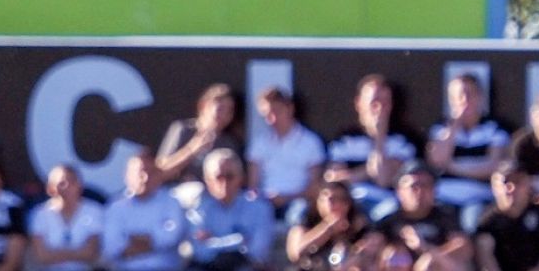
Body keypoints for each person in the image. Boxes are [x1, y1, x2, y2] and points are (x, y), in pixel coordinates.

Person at [371, 162, 475, 271]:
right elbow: (372, 247)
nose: (419, 192)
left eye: (426, 186)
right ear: (399, 191)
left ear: (434, 191)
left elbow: (464, 246)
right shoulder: (389, 218)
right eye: (413, 186)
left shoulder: (444, 215)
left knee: (460, 270)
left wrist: (427, 252)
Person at [325, 75, 420, 220]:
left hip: (386, 202)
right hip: (350, 202)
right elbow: (334, 179)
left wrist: (380, 136)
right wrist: (368, 171)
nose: (379, 109)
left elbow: (383, 179)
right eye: (374, 103)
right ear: (359, 104)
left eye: (385, 103)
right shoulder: (345, 139)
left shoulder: (403, 141)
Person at [25, 164, 104, 271]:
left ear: (79, 186)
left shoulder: (94, 211)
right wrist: (76, 252)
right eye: (61, 183)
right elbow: (42, 256)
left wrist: (57, 253)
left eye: (71, 182)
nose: (66, 187)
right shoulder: (40, 215)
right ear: (50, 188)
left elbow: (91, 253)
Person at [426, 74, 508, 227]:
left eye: (470, 94)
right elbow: (436, 161)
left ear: (480, 97)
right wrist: (455, 125)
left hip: (478, 197)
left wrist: (452, 167)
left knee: (471, 226)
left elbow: (493, 166)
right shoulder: (441, 128)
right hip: (444, 197)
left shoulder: (494, 128)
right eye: (458, 96)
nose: (464, 100)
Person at [245, 87, 325, 219]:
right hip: (265, 203)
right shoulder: (259, 143)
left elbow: (314, 187)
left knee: (298, 213)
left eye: (277, 111)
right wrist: (260, 197)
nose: (272, 119)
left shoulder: (311, 143)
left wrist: (285, 197)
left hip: (298, 202)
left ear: (290, 109)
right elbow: (252, 186)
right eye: (267, 115)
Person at [156, 83, 242, 189]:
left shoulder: (229, 142)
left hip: (214, 200)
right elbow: (160, 172)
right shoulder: (184, 130)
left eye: (229, 111)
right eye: (220, 109)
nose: (224, 115)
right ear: (204, 106)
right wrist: (192, 150)